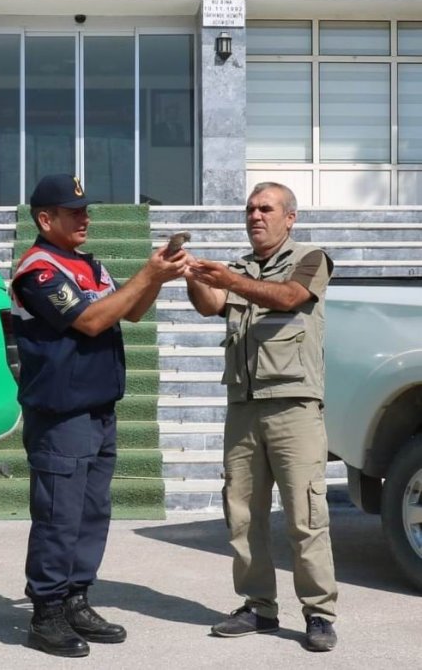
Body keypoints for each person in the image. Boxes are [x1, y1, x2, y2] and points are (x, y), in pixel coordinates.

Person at [10, 173, 188, 658]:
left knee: (91, 513)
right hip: (60, 413)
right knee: (58, 516)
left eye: (85, 209)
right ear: (45, 219)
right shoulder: (39, 270)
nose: (85, 217)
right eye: (73, 211)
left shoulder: (86, 263)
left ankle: (75, 599)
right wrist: (147, 276)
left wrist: (159, 278)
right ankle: (46, 613)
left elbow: (128, 312)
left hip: (97, 408)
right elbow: (89, 320)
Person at [185, 181, 338, 653]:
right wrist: (189, 274)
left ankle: (319, 614)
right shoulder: (239, 268)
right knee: (243, 514)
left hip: (294, 407)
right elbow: (212, 305)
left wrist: (228, 280)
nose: (255, 216)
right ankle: (258, 606)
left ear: (289, 217)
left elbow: (289, 297)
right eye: (250, 209)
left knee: (305, 515)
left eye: (265, 208)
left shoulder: (311, 258)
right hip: (244, 409)